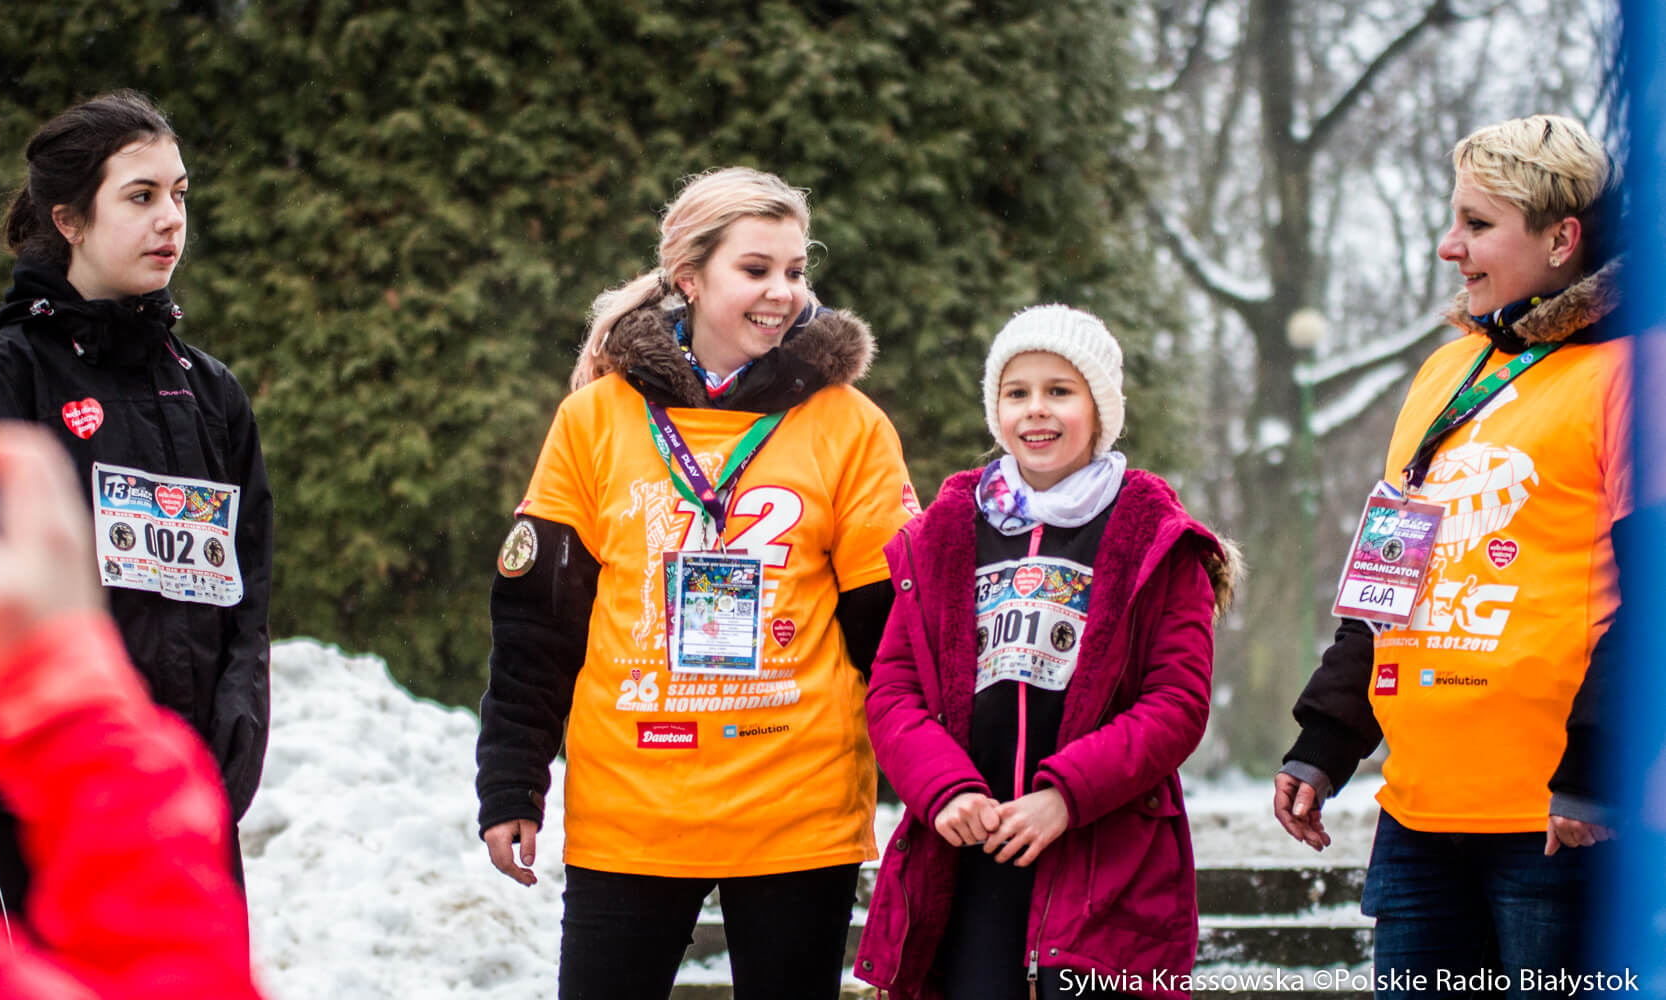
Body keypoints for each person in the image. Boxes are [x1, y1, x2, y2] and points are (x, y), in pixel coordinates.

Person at [474, 167, 917, 1000]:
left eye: (795, 270)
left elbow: (892, 633)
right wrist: (510, 782)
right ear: (689, 277)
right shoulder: (595, 419)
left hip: (797, 812)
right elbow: (537, 627)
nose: (782, 292)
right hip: (632, 814)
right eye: (756, 269)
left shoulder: (850, 424)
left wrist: (940, 778)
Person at [1273, 114, 1626, 993]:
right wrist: (1326, 740)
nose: (1448, 246)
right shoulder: (1446, 375)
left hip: (1564, 822)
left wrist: (1599, 768)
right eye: (1452, 218)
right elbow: (1385, 575)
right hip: (1420, 818)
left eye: (1477, 224)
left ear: (1561, 240)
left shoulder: (1632, 373)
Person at [0, 91, 273, 946]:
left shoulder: (212, 392)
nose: (170, 219)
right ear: (70, 220)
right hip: (39, 783)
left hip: (184, 778)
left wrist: (238, 716)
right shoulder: (5, 378)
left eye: (180, 194)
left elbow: (247, 585)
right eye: (141, 195)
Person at [854, 305, 1236, 1000]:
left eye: (1060, 391)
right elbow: (893, 692)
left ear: (1101, 408)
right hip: (969, 855)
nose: (1036, 409)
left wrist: (1065, 796)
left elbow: (1176, 703)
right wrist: (945, 789)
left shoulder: (1156, 537)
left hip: (1102, 858)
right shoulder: (943, 532)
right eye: (1017, 392)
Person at [0, 422, 263, 999]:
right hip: (42, 762)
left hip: (98, 745)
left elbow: (248, 572)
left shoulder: (212, 394)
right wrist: (69, 700)